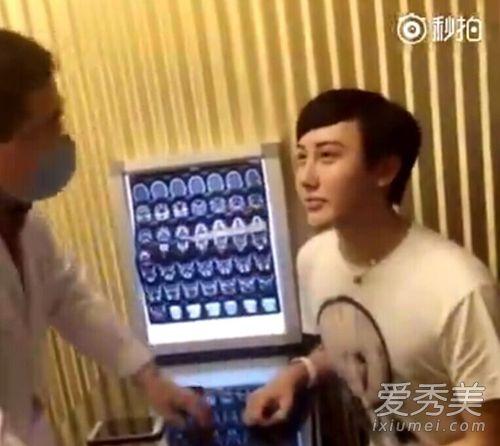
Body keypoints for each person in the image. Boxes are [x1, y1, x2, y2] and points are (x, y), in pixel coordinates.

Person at [243, 89, 500, 445]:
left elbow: (487, 437)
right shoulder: (314, 259)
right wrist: (298, 374)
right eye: (302, 157)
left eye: (327, 156)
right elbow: (354, 347)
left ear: (385, 170)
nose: (306, 178)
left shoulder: (458, 288)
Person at [0, 29, 210, 445]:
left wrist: (149, 378)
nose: (60, 141)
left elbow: (69, 297)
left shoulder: (24, 221)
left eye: (59, 118)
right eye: (46, 126)